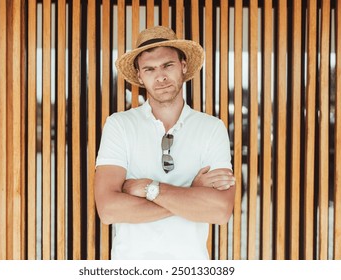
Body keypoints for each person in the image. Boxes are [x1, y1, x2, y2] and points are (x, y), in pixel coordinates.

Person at [94, 26, 236, 260]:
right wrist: (192, 194)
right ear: (139, 76)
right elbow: (108, 210)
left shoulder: (211, 128)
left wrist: (149, 188)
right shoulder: (119, 125)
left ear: (183, 66)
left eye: (167, 65)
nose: (160, 76)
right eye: (149, 69)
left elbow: (220, 211)